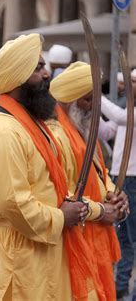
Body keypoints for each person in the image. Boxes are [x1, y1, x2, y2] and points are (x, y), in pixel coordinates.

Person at [0, 33, 103, 300]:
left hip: (47, 248)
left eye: (43, 66)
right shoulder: (4, 130)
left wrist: (89, 208)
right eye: (37, 69)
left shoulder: (32, 124)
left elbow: (51, 186)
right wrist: (61, 217)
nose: (47, 75)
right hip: (23, 256)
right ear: (16, 77)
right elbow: (12, 203)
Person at [48, 61, 129, 300]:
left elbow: (100, 174)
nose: (93, 106)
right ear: (68, 101)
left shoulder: (84, 130)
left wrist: (115, 195)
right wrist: (101, 210)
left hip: (96, 237)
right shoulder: (56, 134)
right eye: (86, 100)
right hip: (74, 238)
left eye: (95, 99)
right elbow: (63, 193)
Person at [99, 78, 136, 299]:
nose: (129, 85)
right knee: (122, 237)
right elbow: (107, 132)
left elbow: (121, 118)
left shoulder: (127, 113)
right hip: (118, 178)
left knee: (128, 238)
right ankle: (119, 287)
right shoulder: (127, 108)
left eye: (134, 81)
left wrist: (96, 95)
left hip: (133, 178)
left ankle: (122, 287)